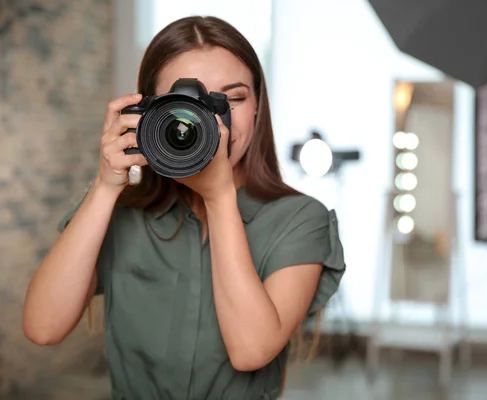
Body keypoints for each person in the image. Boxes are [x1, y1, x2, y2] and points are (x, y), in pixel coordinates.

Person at [22, 15, 346, 400]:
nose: (209, 121)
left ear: (258, 106)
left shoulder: (299, 219)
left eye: (233, 98)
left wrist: (219, 196)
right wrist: (108, 183)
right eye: (186, 104)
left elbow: (250, 351)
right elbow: (43, 328)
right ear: (148, 115)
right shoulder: (122, 211)